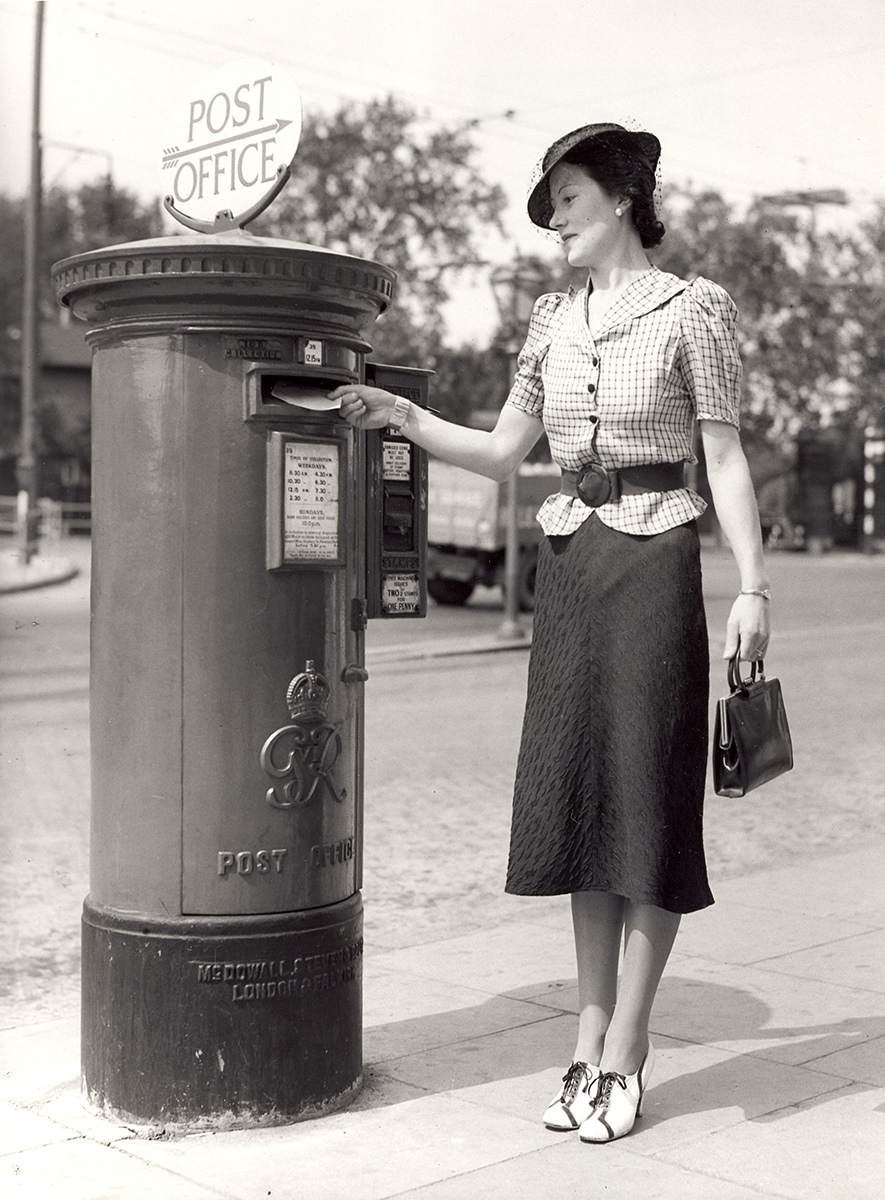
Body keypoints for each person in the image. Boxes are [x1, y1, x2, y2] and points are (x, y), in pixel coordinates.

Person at [330, 121, 770, 1143]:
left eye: (566, 199)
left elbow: (725, 460)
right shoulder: (548, 318)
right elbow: (499, 452)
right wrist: (394, 414)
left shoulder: (692, 310)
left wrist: (752, 587)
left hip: (656, 560)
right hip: (569, 571)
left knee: (647, 806)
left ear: (619, 196)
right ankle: (584, 1036)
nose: (553, 222)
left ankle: (628, 1051)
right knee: (579, 800)